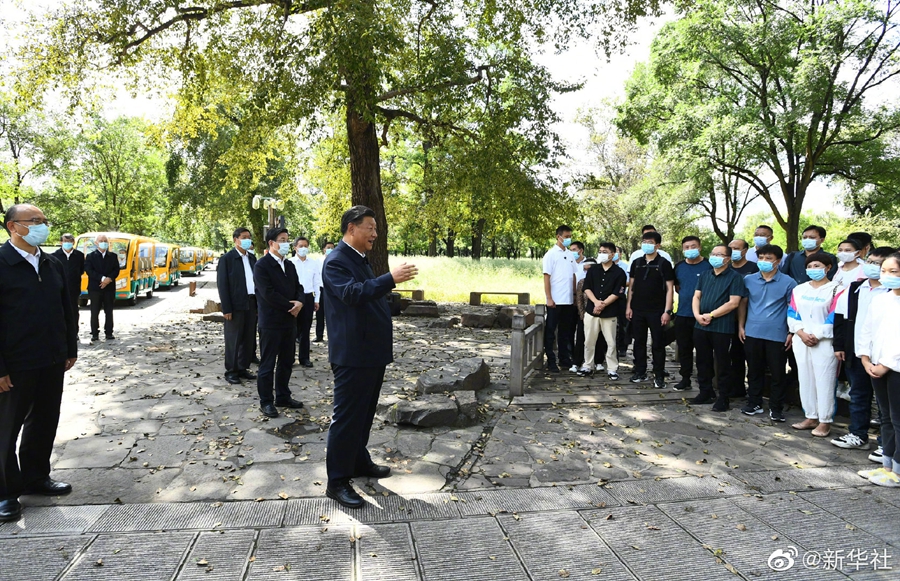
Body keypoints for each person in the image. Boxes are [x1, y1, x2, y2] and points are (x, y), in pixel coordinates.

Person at [323, 205, 417, 509]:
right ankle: (337, 481)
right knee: (347, 418)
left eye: (376, 228)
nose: (375, 234)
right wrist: (390, 279)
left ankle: (358, 460)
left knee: (364, 414)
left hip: (370, 352)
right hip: (353, 354)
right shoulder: (336, 261)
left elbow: (368, 294)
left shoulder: (359, 258)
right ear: (352, 228)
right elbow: (352, 294)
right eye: (370, 228)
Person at [0, 204, 77, 523]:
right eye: (34, 221)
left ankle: (36, 476)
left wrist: (69, 348)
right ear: (12, 226)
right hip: (14, 363)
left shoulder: (52, 263)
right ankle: (5, 492)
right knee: (6, 427)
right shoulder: (2, 262)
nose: (42, 226)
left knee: (44, 420)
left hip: (51, 358)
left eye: (44, 221)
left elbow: (66, 308)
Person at [832, 247, 896, 452]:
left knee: (887, 403)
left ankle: (887, 444)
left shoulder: (891, 292)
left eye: (879, 264)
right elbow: (840, 317)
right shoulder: (855, 288)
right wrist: (840, 345)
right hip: (859, 351)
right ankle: (858, 434)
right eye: (870, 262)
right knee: (859, 395)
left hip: (887, 356)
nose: (873, 267)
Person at [738, 244, 797, 421]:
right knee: (754, 370)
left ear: (778, 261)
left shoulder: (789, 282)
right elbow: (743, 304)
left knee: (778, 373)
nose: (764, 261)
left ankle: (776, 407)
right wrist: (741, 326)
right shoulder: (749, 280)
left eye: (768, 258)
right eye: (761, 258)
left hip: (777, 334)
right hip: (752, 332)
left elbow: (792, 309)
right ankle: (754, 402)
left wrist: (791, 332)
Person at [857, 251, 900, 487]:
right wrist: (865, 358)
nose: (887, 275)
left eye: (894, 271)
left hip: (894, 368)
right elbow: (867, 330)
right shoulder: (881, 299)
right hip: (875, 365)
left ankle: (898, 472)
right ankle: (887, 466)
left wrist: (886, 364)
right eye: (884, 271)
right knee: (885, 417)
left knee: (898, 418)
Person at [787, 252, 841, 437]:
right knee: (806, 378)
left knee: (824, 380)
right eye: (809, 266)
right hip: (801, 340)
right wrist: (801, 332)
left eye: (817, 266)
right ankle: (810, 416)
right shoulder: (799, 290)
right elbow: (792, 313)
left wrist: (817, 335)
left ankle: (825, 420)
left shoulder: (837, 289)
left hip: (824, 342)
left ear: (828, 268)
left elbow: (834, 316)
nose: (813, 269)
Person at [253, 227, 304, 419]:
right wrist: (291, 306)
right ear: (271, 243)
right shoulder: (262, 265)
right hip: (271, 322)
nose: (286, 243)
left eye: (287, 240)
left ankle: (283, 396)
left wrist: (300, 302)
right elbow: (268, 294)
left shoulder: (289, 265)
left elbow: (299, 287)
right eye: (282, 240)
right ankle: (266, 401)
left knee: (287, 361)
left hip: (289, 322)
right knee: (267, 363)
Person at [691, 245, 745, 410]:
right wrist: (697, 315)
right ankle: (705, 391)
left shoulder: (735, 277)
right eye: (713, 254)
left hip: (722, 327)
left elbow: (734, 302)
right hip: (701, 325)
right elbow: (696, 296)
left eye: (719, 254)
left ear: (727, 259)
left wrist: (711, 315)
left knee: (723, 363)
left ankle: (723, 397)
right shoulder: (705, 274)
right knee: (702, 360)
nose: (715, 257)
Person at [626, 231, 675, 388]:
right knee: (638, 342)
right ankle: (640, 371)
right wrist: (629, 306)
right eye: (644, 242)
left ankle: (659, 375)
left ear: (657, 245)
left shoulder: (664, 263)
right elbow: (631, 287)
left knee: (658, 344)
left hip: (657, 311)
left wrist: (667, 311)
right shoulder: (637, 263)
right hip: (637, 310)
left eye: (650, 242)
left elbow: (670, 289)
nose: (646, 245)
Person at [217, 227, 258, 386]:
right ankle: (231, 371)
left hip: (251, 303)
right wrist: (226, 308)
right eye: (244, 237)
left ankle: (242, 368)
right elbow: (223, 285)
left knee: (248, 338)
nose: (247, 240)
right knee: (233, 339)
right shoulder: (227, 259)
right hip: (235, 305)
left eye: (249, 237)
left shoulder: (252, 258)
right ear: (236, 240)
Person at [581, 244, 627, 380]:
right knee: (589, 341)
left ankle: (612, 368)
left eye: (605, 252)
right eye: (600, 251)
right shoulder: (593, 270)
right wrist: (596, 302)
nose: (601, 254)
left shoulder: (619, 272)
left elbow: (618, 292)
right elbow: (587, 288)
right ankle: (588, 365)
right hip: (591, 311)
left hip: (610, 312)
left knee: (611, 342)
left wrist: (603, 304)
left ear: (612, 254)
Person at [672, 236, 712, 392]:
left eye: (693, 246)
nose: (690, 250)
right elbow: (677, 287)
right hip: (683, 314)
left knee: (703, 352)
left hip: (703, 316)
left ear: (700, 247)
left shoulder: (709, 265)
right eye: (686, 247)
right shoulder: (679, 266)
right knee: (684, 349)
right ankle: (685, 379)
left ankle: (706, 385)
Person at [542, 225, 577, 373]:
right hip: (555, 300)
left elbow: (573, 275)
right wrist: (549, 297)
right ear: (558, 236)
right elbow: (546, 277)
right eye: (566, 236)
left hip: (568, 300)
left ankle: (564, 359)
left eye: (570, 236)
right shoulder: (550, 254)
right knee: (551, 331)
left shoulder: (570, 254)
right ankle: (551, 360)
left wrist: (574, 295)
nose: (568, 239)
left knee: (565, 332)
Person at [728, 239, 758, 397]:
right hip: (728, 318)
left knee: (751, 355)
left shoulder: (754, 268)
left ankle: (754, 391)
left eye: (736, 248)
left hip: (750, 317)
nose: (733, 251)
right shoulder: (726, 268)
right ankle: (736, 387)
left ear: (745, 250)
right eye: (730, 248)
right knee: (734, 354)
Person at [290, 237, 321, 368]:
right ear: (295, 248)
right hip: (294, 298)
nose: (303, 248)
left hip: (308, 297)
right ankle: (289, 357)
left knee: (305, 329)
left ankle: (304, 357)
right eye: (300, 246)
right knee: (291, 329)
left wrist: (317, 299)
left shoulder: (313, 263)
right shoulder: (290, 263)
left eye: (305, 246)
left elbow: (317, 282)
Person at [84, 233, 120, 342]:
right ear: (96, 243)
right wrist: (102, 278)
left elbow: (116, 270)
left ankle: (109, 332)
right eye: (101, 241)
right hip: (95, 288)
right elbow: (89, 270)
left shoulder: (113, 256)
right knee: (94, 311)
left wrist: (109, 279)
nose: (103, 243)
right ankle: (94, 333)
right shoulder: (90, 256)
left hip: (109, 288)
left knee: (109, 311)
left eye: (105, 241)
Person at [573, 258, 601, 374]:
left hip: (599, 314)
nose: (587, 272)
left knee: (599, 338)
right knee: (581, 338)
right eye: (585, 269)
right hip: (585, 315)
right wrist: (582, 315)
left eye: (590, 269)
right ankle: (577, 362)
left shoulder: (600, 281)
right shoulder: (582, 282)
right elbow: (579, 300)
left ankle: (598, 361)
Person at [51, 233, 85, 325]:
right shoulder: (54, 256)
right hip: (59, 288)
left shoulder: (79, 255)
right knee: (60, 310)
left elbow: (81, 270)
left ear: (73, 242)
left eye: (70, 241)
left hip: (74, 287)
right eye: (65, 241)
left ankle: (74, 330)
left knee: (73, 310)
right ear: (61, 242)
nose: (68, 243)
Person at [314, 241, 335, 342]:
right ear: (324, 249)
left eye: (332, 247)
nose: (330, 249)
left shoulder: (336, 260)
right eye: (328, 247)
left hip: (332, 290)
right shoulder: (318, 261)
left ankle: (333, 335)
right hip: (321, 289)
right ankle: (319, 335)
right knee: (320, 313)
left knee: (332, 314)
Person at [614, 246, 630, 358]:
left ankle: (622, 347)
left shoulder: (625, 267)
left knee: (622, 323)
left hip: (621, 297)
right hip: (606, 298)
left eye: (617, 252)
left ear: (620, 254)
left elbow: (629, 282)